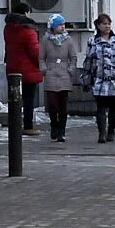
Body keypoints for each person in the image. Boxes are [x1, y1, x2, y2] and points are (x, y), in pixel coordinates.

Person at [83, 13, 115, 144]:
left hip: (114, 80)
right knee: (100, 108)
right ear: (98, 25)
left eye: (109, 24)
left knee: (114, 108)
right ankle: (101, 133)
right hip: (99, 80)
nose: (107, 26)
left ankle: (111, 131)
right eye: (104, 24)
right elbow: (88, 61)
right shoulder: (93, 41)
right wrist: (86, 77)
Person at [3, 2, 42, 135]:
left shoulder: (8, 28)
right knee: (29, 98)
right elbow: (34, 51)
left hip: (12, 67)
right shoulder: (28, 30)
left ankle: (15, 123)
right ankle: (28, 125)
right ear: (26, 13)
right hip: (28, 68)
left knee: (15, 98)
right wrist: (41, 64)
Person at [39, 13, 77, 143]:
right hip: (51, 73)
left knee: (63, 105)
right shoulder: (45, 40)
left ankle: (62, 130)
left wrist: (71, 69)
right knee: (52, 103)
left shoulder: (68, 40)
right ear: (53, 27)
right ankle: (53, 124)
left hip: (64, 74)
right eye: (59, 25)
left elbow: (73, 57)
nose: (62, 27)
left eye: (63, 24)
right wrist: (44, 69)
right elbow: (41, 57)